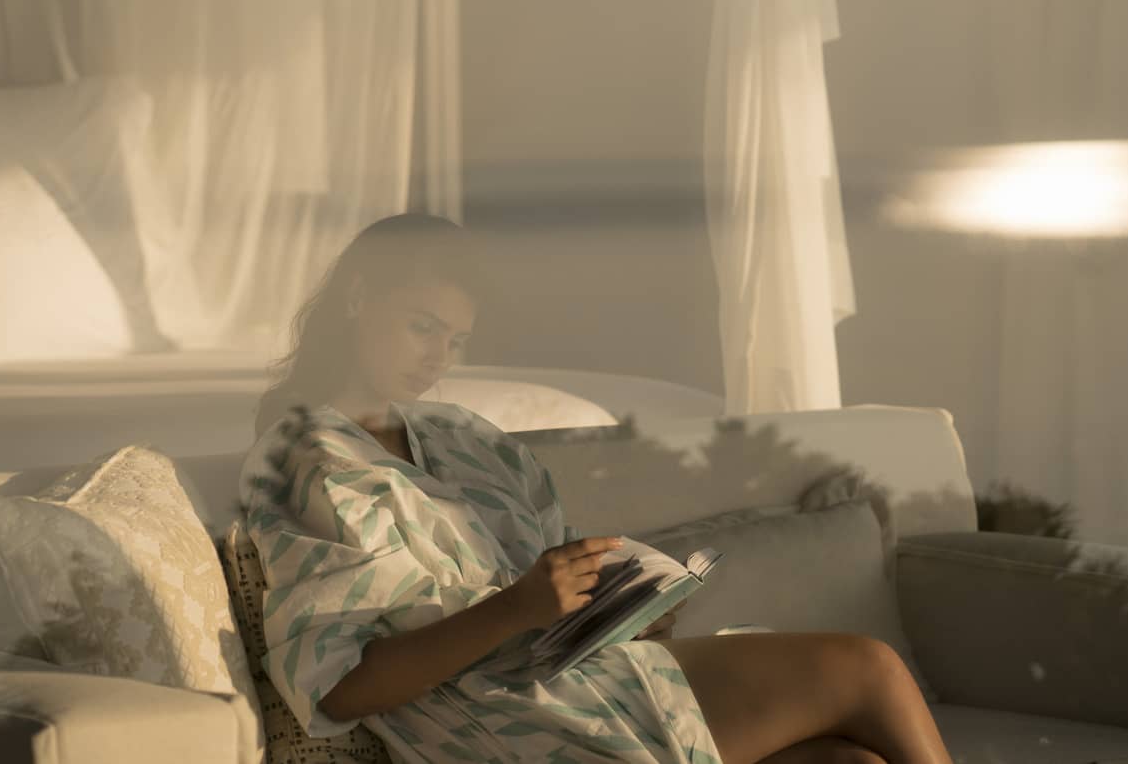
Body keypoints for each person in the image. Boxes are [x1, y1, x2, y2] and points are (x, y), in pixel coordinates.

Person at [240, 213, 954, 764]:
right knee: (868, 668)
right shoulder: (308, 456)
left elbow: (552, 587)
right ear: (359, 298)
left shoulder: (464, 437)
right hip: (494, 719)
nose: (437, 358)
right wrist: (516, 607)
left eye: (454, 341)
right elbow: (339, 687)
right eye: (422, 327)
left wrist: (619, 608)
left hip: (578, 673)